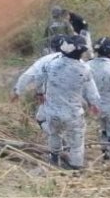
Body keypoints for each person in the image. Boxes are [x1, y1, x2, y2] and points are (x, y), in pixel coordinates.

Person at [36, 35, 100, 170]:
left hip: (52, 111)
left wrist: (40, 93)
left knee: (54, 134)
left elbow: (40, 80)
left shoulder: (51, 64)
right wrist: (93, 105)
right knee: (77, 142)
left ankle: (54, 158)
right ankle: (75, 168)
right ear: (81, 52)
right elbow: (92, 93)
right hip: (73, 114)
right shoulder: (84, 69)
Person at [11, 35, 67, 133]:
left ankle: (57, 140)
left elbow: (27, 76)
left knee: (41, 119)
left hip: (51, 96)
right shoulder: (76, 60)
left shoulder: (45, 60)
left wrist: (17, 91)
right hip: (73, 98)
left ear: (52, 47)